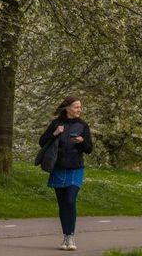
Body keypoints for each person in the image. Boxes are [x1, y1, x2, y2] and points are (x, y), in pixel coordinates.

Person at [39, 96, 93, 251]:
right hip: (58, 168)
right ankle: (66, 238)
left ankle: (71, 236)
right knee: (62, 204)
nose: (79, 110)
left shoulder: (83, 126)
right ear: (67, 108)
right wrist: (55, 133)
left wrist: (82, 141)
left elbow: (89, 149)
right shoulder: (56, 124)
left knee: (70, 200)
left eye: (80, 107)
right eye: (76, 107)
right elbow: (42, 142)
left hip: (76, 168)